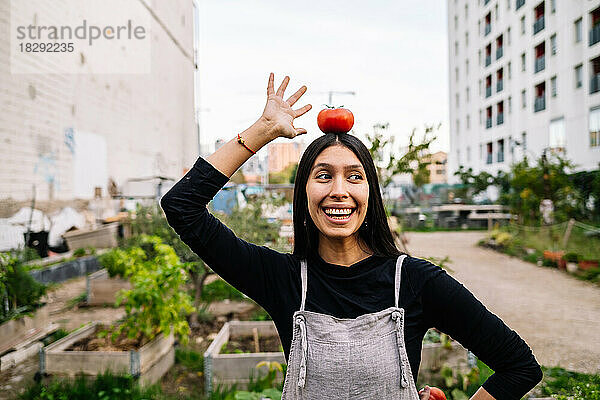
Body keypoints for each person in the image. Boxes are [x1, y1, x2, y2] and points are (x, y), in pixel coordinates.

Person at [161, 73, 543, 399]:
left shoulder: (416, 281)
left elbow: (519, 367)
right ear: (304, 192)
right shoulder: (281, 278)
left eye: (354, 176)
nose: (338, 190)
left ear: (370, 195)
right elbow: (182, 206)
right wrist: (263, 132)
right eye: (323, 175)